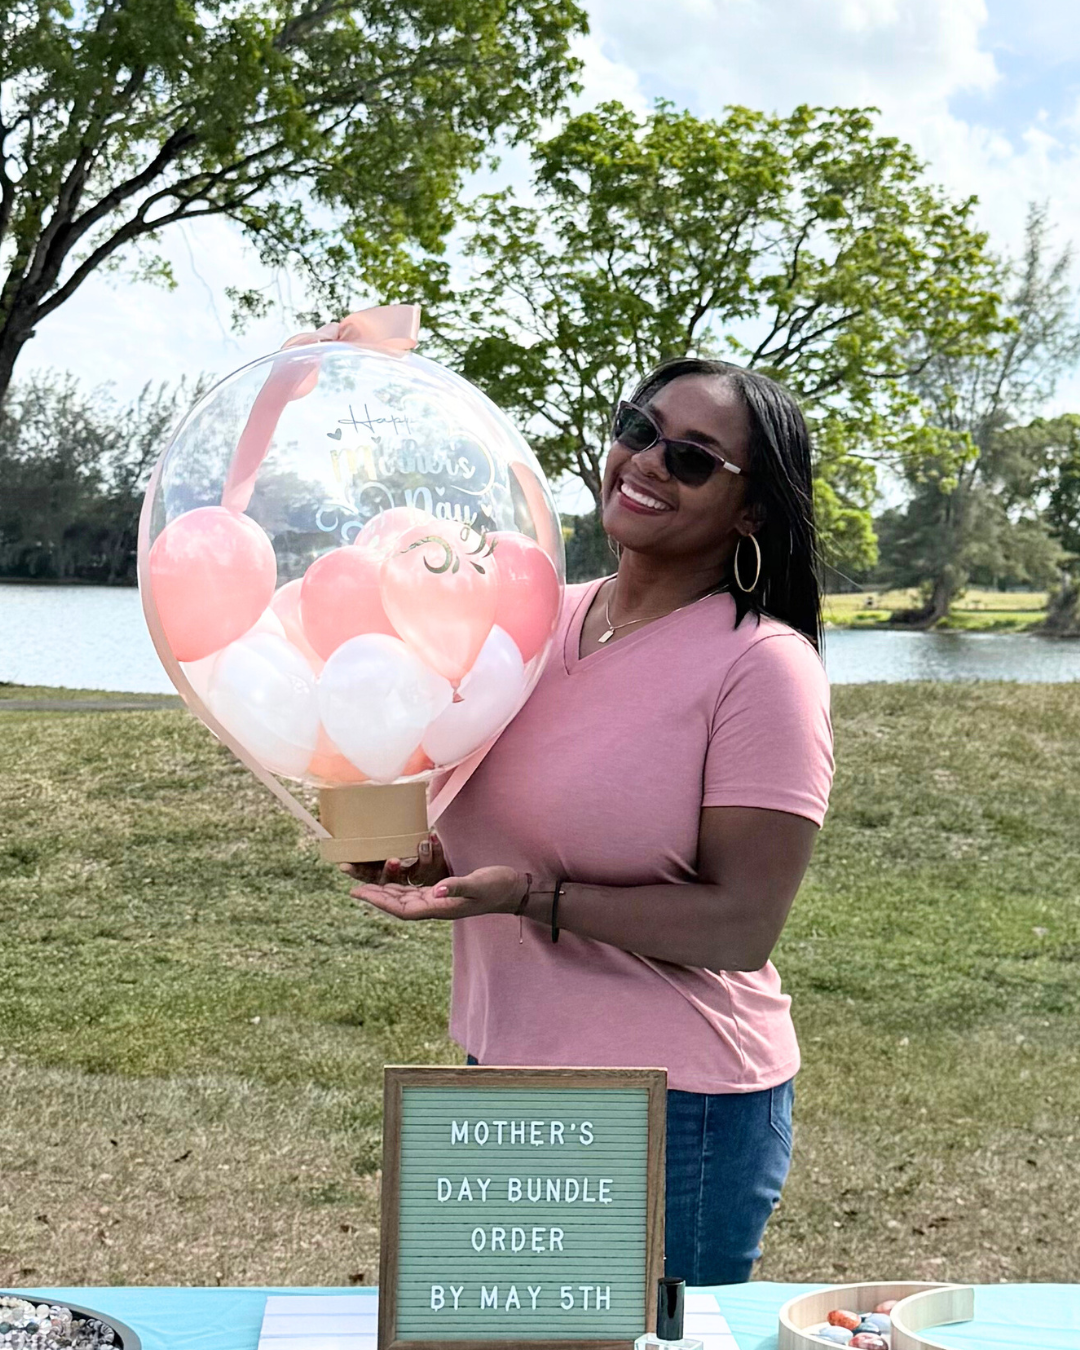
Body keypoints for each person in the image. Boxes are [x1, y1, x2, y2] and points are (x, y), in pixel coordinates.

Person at [348, 357, 834, 1285]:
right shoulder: (529, 623)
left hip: (676, 1101)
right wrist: (428, 858)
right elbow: (519, 818)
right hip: (500, 1066)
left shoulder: (763, 667)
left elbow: (741, 925)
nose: (647, 462)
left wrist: (532, 898)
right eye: (639, 430)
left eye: (693, 459)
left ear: (752, 512)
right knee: (502, 1346)